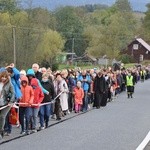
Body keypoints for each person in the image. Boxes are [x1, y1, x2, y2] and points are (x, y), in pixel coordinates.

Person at [0, 68, 15, 139]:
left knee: (2, 116)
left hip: (6, 103)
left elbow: (13, 93)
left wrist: (11, 101)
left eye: (5, 77)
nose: (3, 78)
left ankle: (1, 131)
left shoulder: (9, 84)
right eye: (2, 77)